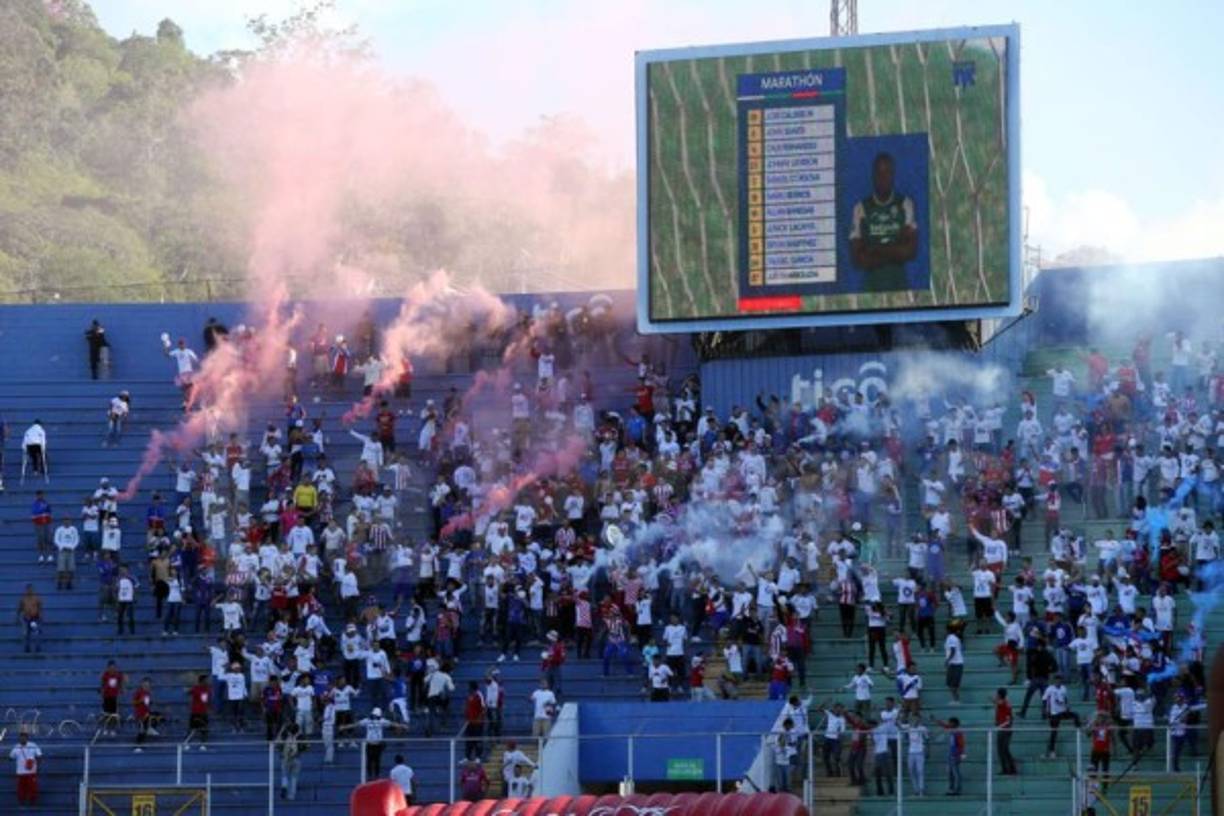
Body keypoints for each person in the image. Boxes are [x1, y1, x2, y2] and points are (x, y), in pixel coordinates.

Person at [848, 151, 919, 292]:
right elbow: (858, 260)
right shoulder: (860, 208)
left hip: (899, 287)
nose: (883, 178)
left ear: (893, 175)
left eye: (887, 172)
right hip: (871, 289)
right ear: (873, 176)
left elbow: (910, 252)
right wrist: (895, 250)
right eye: (879, 173)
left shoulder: (905, 204)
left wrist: (874, 249)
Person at [10, 731, 41, 807]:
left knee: (32, 788)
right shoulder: (16, 747)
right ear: (19, 739)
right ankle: (22, 802)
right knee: (21, 788)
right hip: (21, 772)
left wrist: (37, 765)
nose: (22, 739)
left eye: (24, 737)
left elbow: (39, 756)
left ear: (27, 738)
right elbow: (11, 757)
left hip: (31, 771)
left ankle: (32, 802)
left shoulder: (33, 745)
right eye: (21, 738)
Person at [278, 722, 304, 800]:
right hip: (296, 758)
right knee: (294, 777)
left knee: (284, 775)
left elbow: (278, 743)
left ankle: (284, 786)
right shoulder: (300, 737)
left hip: (286, 758)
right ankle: (291, 796)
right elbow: (306, 747)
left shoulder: (285, 736)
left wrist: (281, 730)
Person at [995, 688, 1017, 775]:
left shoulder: (1004, 703)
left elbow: (998, 703)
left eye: (997, 694)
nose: (996, 695)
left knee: (1004, 749)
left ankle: (1011, 768)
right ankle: (1006, 768)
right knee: (1001, 750)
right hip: (1002, 728)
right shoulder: (1004, 703)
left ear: (1000, 695)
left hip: (1005, 729)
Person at [16, 585, 42, 654]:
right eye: (28, 589)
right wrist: (17, 617)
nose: (29, 591)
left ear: (32, 590)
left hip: (34, 618)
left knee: (35, 633)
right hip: (26, 619)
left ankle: (37, 647)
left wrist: (40, 616)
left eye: (30, 589)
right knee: (26, 634)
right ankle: (27, 647)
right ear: (26, 590)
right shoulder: (23, 599)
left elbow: (40, 608)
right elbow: (19, 609)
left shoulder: (36, 598)